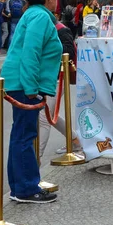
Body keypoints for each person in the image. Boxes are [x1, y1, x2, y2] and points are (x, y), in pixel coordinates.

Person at [1, 0, 63, 204]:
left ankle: (21, 186)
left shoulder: (33, 14)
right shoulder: (39, 16)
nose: (56, 1)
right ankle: (26, 188)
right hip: (24, 84)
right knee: (25, 135)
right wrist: (30, 88)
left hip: (21, 81)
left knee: (21, 134)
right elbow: (31, 53)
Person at [38, 21, 82, 158]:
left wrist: (47, 46)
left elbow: (68, 51)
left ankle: (36, 160)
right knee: (50, 115)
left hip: (57, 77)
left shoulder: (61, 30)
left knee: (44, 117)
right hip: (44, 77)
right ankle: (75, 140)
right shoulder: (42, 28)